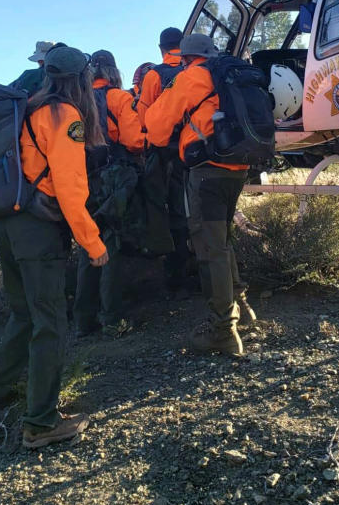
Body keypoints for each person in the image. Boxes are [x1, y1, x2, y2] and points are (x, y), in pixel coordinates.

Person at [0, 45, 107, 448]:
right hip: (37, 231)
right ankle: (41, 422)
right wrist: (93, 242)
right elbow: (70, 189)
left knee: (23, 314)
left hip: (8, 222)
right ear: (80, 79)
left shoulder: (28, 107)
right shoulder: (64, 116)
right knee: (50, 321)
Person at [145, 34, 255, 357]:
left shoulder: (191, 77)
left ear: (187, 57)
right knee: (222, 239)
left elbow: (155, 126)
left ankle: (223, 329)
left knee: (209, 245)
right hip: (238, 167)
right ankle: (242, 307)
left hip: (207, 171)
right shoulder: (230, 74)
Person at [74, 50, 144, 338]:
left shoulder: (77, 103)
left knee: (86, 244)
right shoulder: (118, 98)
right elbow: (134, 140)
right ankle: (113, 318)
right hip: (112, 179)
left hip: (81, 180)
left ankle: (83, 320)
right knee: (109, 244)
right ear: (113, 71)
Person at [137, 27, 192, 299]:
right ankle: (193, 268)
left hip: (163, 152)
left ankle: (171, 273)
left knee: (162, 208)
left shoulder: (154, 75)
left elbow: (143, 116)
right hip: (194, 150)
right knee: (190, 208)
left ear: (161, 49)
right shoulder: (193, 71)